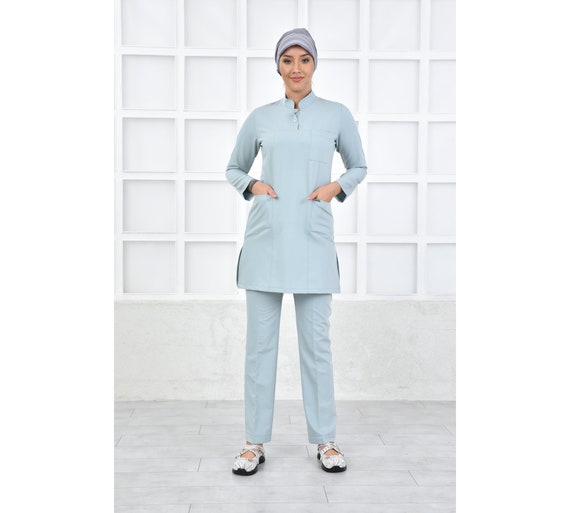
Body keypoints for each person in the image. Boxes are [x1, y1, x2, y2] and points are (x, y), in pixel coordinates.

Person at [226, 27, 367, 476]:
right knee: (259, 348)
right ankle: (253, 443)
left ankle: (326, 441)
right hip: (266, 242)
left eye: (304, 59)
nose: (296, 68)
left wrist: (334, 187)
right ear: (278, 66)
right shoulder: (261, 118)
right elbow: (234, 167)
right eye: (288, 60)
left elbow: (359, 165)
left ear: (314, 64)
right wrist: (253, 185)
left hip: (312, 243)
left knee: (317, 347)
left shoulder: (336, 115)